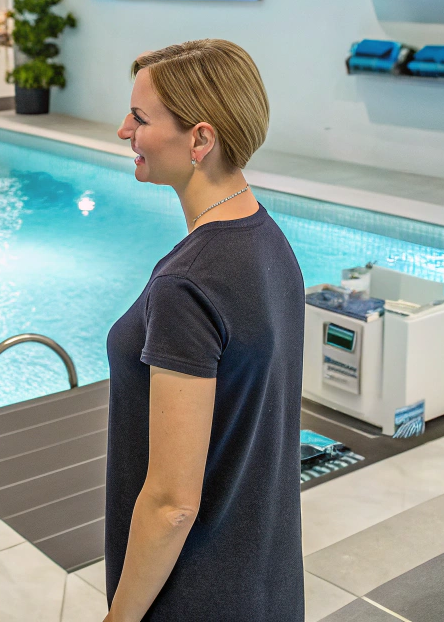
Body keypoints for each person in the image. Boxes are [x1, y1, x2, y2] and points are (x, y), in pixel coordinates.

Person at [104, 39, 304, 622]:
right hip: (266, 583)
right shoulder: (268, 242)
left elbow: (171, 504)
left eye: (139, 118)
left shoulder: (187, 285)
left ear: (200, 139)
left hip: (193, 596)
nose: (123, 130)